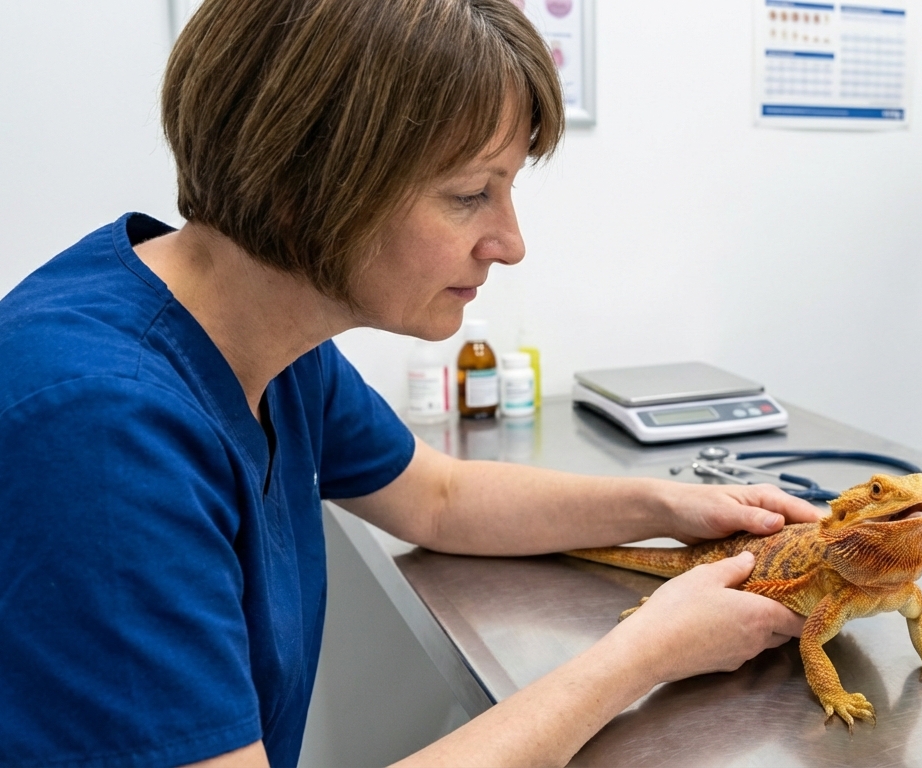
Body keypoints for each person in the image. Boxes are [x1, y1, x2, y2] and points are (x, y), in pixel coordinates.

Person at [0, 1, 821, 766]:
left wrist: (664, 507)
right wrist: (646, 653)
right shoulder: (101, 429)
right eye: (469, 195)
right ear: (301, 189)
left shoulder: (270, 337)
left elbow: (439, 499)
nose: (509, 241)